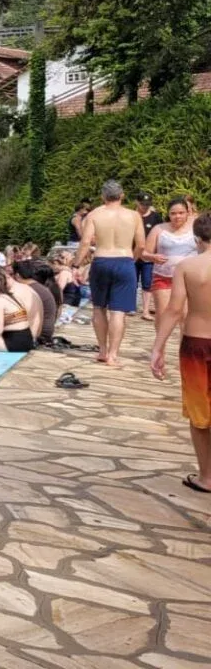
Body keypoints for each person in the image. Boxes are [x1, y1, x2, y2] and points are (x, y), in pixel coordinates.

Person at [149, 212, 211, 493]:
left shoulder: (187, 266)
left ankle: (207, 477)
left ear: (197, 239)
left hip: (196, 343)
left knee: (200, 413)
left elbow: (174, 310)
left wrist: (158, 347)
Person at [78, 180, 147, 367]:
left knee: (99, 307)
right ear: (122, 195)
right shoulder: (133, 215)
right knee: (118, 311)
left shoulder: (94, 214)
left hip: (101, 260)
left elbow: (86, 242)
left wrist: (76, 263)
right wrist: (132, 260)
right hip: (124, 260)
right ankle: (113, 355)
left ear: (103, 196)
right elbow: (141, 245)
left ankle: (102, 350)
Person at [144, 198, 197, 328]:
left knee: (185, 316)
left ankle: (184, 342)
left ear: (187, 212)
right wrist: (153, 257)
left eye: (181, 213)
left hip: (188, 279)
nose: (177, 216)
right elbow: (144, 253)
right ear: (168, 214)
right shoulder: (159, 229)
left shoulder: (196, 228)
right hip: (163, 277)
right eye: (173, 213)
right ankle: (160, 342)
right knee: (163, 315)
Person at [136, 193, 165, 321]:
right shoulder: (132, 216)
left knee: (147, 283)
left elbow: (161, 234)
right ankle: (130, 307)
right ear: (137, 203)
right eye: (143, 204)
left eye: (147, 204)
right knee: (132, 281)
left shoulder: (156, 217)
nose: (145, 207)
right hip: (133, 253)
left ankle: (146, 310)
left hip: (149, 255)